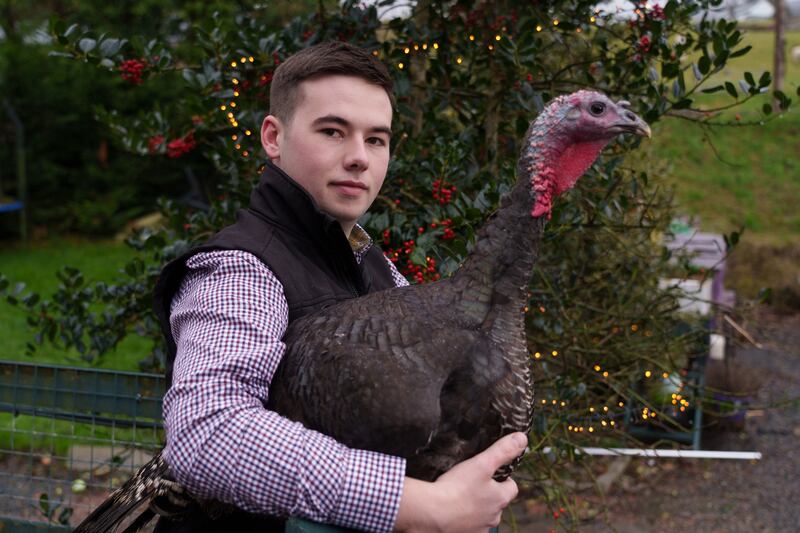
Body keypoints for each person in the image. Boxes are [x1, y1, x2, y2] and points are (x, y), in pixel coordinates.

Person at [152, 41, 526, 533]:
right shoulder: (240, 269)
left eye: (376, 139)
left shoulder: (379, 269)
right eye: (332, 131)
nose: (358, 158)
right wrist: (412, 505)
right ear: (273, 136)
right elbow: (207, 434)